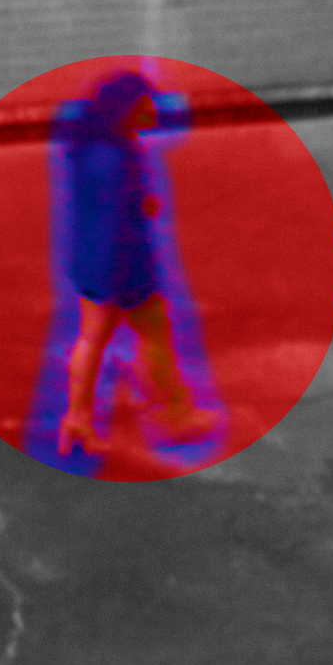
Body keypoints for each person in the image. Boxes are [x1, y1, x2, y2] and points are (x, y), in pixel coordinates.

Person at [56, 71, 218, 458]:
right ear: (125, 109)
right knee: (154, 338)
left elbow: (101, 209)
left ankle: (77, 421)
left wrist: (140, 203)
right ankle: (173, 417)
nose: (153, 112)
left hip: (93, 261)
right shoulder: (113, 157)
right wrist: (115, 282)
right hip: (123, 268)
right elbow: (112, 221)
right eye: (145, 106)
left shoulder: (95, 146)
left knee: (92, 340)